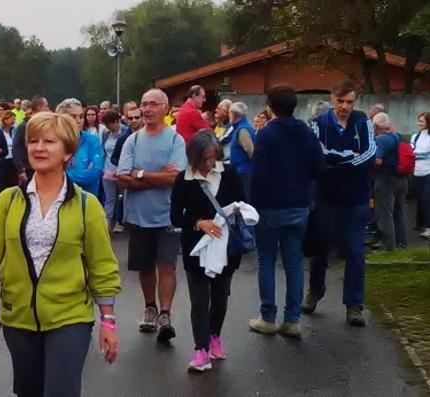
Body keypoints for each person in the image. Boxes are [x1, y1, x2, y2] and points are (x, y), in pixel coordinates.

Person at [0, 111, 121, 397]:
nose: (39, 147)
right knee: (28, 391)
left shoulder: (88, 206)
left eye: (49, 141)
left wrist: (107, 320)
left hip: (70, 317)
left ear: (67, 152)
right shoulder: (7, 201)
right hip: (18, 319)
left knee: (61, 391)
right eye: (33, 140)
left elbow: (102, 265)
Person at [249, 84, 325, 337]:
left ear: (270, 107)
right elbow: (319, 168)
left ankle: (267, 317)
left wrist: (252, 205)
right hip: (299, 205)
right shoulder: (307, 133)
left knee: (267, 260)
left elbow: (257, 175)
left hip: (270, 206)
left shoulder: (266, 135)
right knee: (293, 263)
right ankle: (292, 320)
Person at [170, 130, 246, 371]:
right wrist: (198, 222)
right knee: (199, 300)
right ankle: (200, 349)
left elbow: (243, 203)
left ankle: (215, 336)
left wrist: (234, 212)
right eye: (204, 159)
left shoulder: (230, 174)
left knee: (221, 297)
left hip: (226, 247)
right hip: (196, 248)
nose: (209, 164)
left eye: (213, 158)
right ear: (193, 156)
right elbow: (174, 216)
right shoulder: (184, 179)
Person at [117, 88, 187, 342]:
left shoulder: (175, 140)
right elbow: (121, 177)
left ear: (165, 109)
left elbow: (173, 177)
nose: (146, 109)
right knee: (144, 267)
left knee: (167, 265)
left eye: (153, 104)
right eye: (144, 104)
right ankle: (150, 307)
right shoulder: (132, 140)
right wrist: (153, 177)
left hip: (168, 215)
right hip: (138, 216)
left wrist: (139, 173)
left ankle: (165, 313)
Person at [304, 80, 376, 327]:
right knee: (319, 250)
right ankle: (315, 292)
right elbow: (317, 153)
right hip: (325, 197)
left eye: (350, 102)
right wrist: (349, 158)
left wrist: (338, 162)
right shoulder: (317, 123)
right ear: (332, 98)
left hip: (355, 199)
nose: (345, 106)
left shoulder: (362, 121)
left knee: (356, 253)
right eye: (340, 101)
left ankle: (354, 305)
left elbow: (369, 154)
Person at [371, 112, 408, 250]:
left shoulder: (380, 139)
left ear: (375, 125)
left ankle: (389, 247)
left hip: (386, 180)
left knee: (385, 213)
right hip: (402, 178)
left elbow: (378, 161)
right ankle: (402, 245)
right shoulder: (398, 136)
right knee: (400, 213)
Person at [58, 98, 104, 197]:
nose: (79, 121)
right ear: (61, 119)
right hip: (60, 200)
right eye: (73, 116)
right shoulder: (54, 142)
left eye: (81, 116)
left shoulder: (93, 141)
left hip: (87, 201)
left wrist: (62, 175)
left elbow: (95, 173)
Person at [13, 96, 50, 183]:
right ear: (39, 107)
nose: (48, 109)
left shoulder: (45, 125)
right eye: (46, 106)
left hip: (42, 166)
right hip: (28, 169)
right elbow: (16, 148)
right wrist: (20, 170)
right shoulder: (24, 126)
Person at [101, 110, 126, 233]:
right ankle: (107, 224)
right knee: (110, 199)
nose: (107, 127)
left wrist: (121, 168)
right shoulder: (106, 134)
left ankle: (120, 222)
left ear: (116, 122)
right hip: (107, 171)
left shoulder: (126, 132)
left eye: (109, 124)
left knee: (122, 198)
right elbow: (104, 152)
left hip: (122, 172)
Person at [226, 102, 255, 198]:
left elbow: (250, 151)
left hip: (244, 171)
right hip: (241, 170)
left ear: (235, 114)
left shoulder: (242, 130)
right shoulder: (239, 128)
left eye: (230, 113)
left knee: (245, 198)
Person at [414, 112, 430, 238]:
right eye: (418, 121)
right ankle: (420, 224)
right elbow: (412, 150)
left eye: (421, 121)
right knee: (419, 199)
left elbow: (418, 152)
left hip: (428, 172)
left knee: (426, 199)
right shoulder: (416, 136)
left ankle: (428, 228)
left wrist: (416, 153)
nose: (419, 123)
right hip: (417, 171)